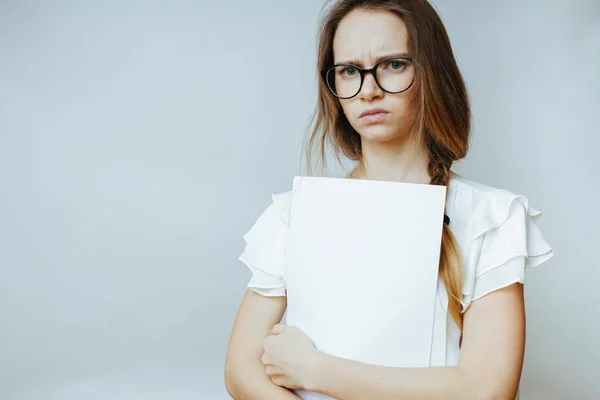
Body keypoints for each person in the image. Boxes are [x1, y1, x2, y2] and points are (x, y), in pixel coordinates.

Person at [224, 0, 554, 399]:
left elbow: (485, 390)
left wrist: (315, 370)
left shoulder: (492, 218)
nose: (369, 90)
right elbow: (241, 370)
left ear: (431, 72)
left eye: (393, 64)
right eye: (348, 71)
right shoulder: (292, 215)